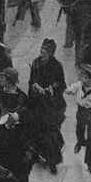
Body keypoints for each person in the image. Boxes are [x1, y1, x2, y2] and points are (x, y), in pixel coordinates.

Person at [0, 67, 33, 182]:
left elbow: (28, 121)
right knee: (3, 172)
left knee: (21, 174)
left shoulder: (22, 98)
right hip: (2, 142)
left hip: (17, 143)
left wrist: (16, 119)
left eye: (2, 77)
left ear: (9, 80)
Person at [28, 38, 66, 174]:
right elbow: (31, 81)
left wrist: (52, 87)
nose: (41, 53)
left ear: (51, 53)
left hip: (51, 104)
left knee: (50, 133)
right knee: (36, 131)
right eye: (41, 50)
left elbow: (62, 83)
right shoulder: (35, 63)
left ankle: (52, 161)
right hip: (37, 103)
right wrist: (35, 86)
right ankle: (38, 156)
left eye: (45, 51)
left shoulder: (57, 65)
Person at [65, 63, 91, 175]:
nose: (83, 79)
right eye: (82, 76)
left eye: (86, 77)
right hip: (81, 111)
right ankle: (80, 141)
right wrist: (68, 89)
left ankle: (90, 163)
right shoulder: (79, 85)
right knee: (79, 129)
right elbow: (70, 90)